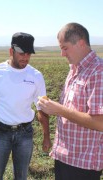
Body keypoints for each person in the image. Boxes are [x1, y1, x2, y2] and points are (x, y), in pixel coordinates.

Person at [0, 32, 52, 180]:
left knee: (21, 176)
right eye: (21, 53)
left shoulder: (36, 76)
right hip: (0, 132)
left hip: (25, 133)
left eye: (28, 54)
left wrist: (46, 136)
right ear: (11, 51)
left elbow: (42, 108)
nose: (25, 58)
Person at [38, 22, 103, 180]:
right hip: (65, 156)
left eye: (65, 47)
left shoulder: (98, 71)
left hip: (82, 163)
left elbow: (99, 122)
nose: (62, 54)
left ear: (81, 43)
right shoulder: (74, 69)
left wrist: (59, 109)